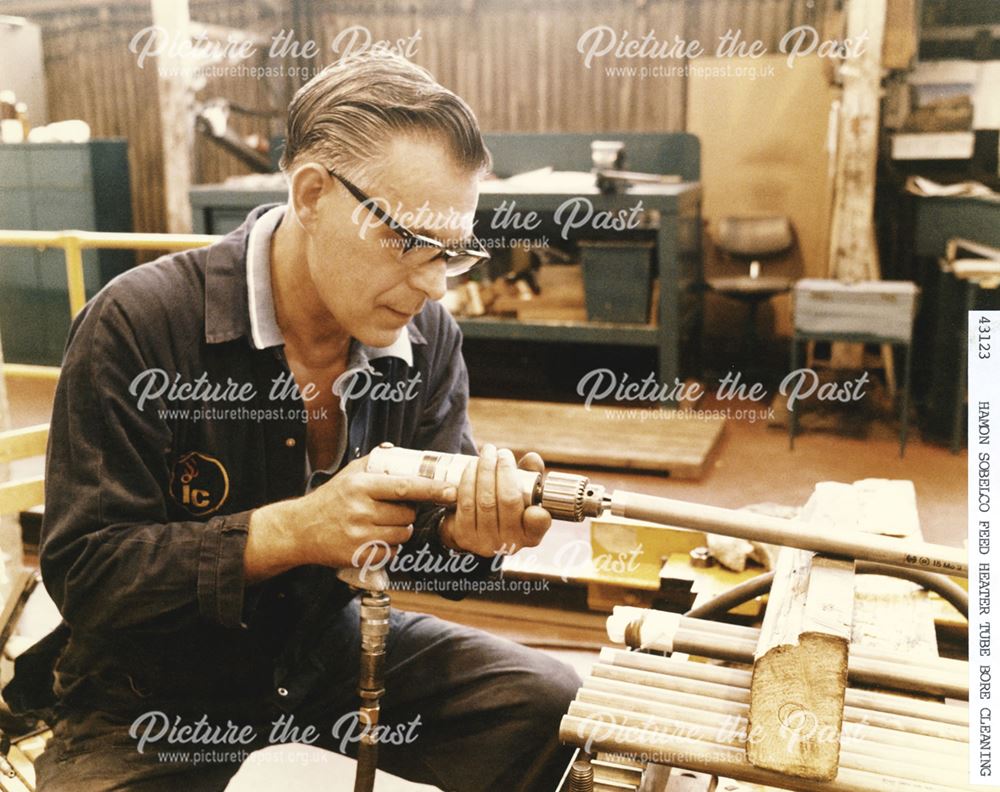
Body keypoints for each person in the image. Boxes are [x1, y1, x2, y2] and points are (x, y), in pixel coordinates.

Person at [12, 53, 580, 791]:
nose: (434, 283)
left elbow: (412, 544)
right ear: (312, 194)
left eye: (455, 252)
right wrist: (292, 530)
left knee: (546, 706)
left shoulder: (428, 335)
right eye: (412, 242)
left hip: (324, 652)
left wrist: (465, 537)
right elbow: (91, 577)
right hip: (149, 696)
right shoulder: (138, 325)